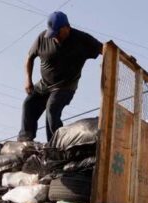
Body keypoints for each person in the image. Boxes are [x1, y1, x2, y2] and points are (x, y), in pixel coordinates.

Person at [18, 11, 103, 143]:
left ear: (67, 27)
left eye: (57, 33)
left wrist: (123, 57)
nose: (55, 37)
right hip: (44, 84)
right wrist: (28, 80)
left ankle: (55, 145)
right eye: (52, 34)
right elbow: (29, 58)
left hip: (65, 86)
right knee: (29, 104)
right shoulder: (42, 38)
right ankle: (25, 141)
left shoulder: (82, 39)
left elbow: (105, 49)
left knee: (52, 109)